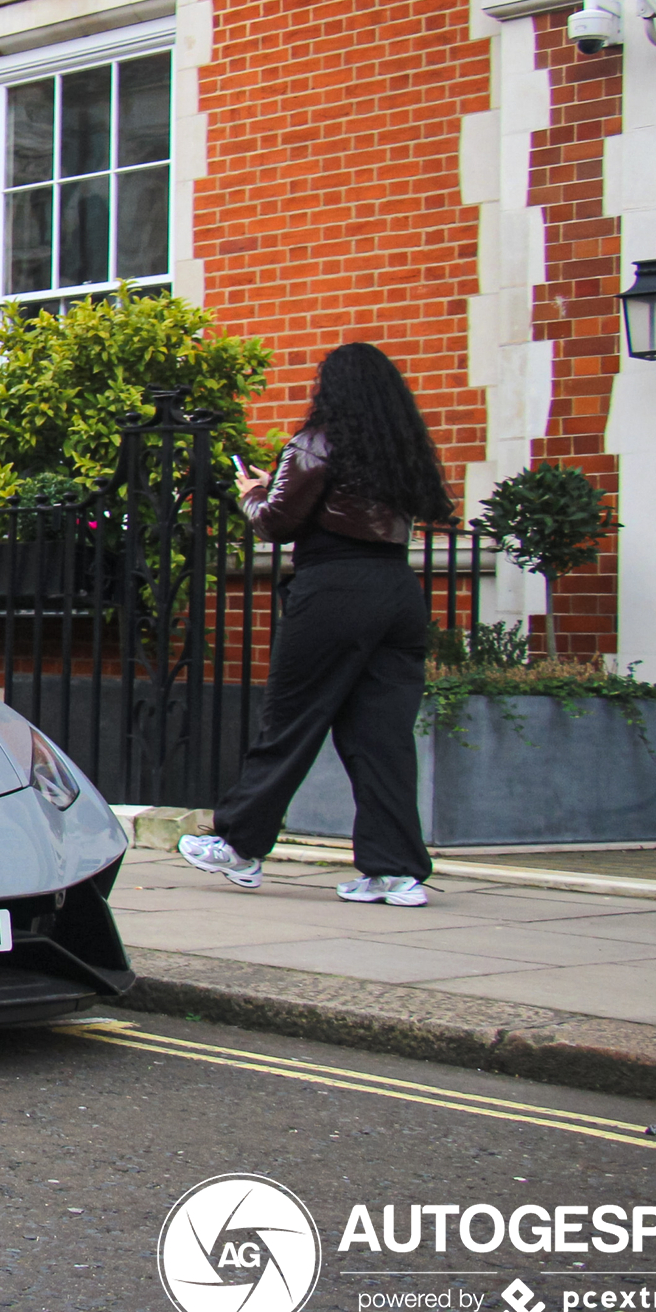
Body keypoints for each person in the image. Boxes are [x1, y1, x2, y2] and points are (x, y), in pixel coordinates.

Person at [181, 343, 457, 907]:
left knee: (292, 717)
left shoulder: (315, 444)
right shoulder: (400, 450)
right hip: (398, 593)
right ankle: (395, 871)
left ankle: (239, 844)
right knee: (381, 736)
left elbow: (277, 524)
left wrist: (252, 492)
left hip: (333, 588)